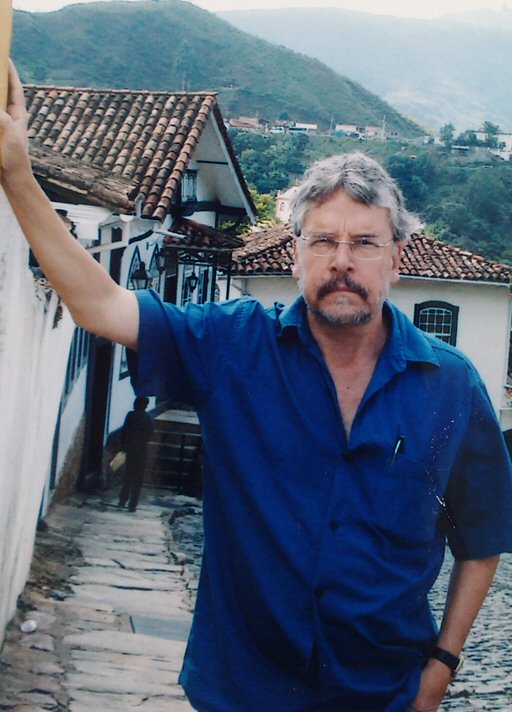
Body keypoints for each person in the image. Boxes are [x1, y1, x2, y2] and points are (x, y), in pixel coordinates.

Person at [2, 60, 512, 712]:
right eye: (323, 241)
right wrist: (17, 174)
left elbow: (482, 537)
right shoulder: (233, 346)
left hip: (382, 695)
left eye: (365, 243)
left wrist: (442, 664)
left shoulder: (452, 386)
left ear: (397, 259)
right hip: (243, 692)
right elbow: (100, 305)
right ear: (294, 254)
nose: (343, 261)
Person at [118, 396, 153, 512]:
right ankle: (133, 504)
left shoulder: (130, 415)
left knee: (128, 476)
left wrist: (123, 446)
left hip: (130, 449)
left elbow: (124, 431)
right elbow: (148, 435)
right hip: (140, 451)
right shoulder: (148, 418)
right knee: (138, 479)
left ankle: (123, 500)